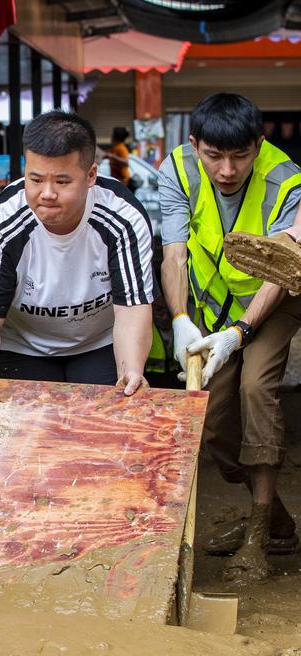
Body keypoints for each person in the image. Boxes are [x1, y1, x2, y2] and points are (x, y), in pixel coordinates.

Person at [158, 92, 301, 582]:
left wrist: (240, 333)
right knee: (212, 421)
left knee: (255, 389)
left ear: (258, 146)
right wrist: (179, 318)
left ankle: (258, 538)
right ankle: (276, 519)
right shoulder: (176, 168)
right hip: (208, 305)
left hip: (274, 301)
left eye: (240, 155)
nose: (226, 169)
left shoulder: (286, 180)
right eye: (214, 155)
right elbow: (174, 252)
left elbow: (281, 271)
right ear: (194, 144)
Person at [0, 111, 154, 396]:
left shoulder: (122, 219)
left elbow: (131, 308)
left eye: (62, 182)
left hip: (98, 342)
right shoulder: (4, 224)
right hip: (25, 345)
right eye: (35, 180)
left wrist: (131, 371)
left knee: (97, 425)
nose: (46, 193)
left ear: (91, 176)